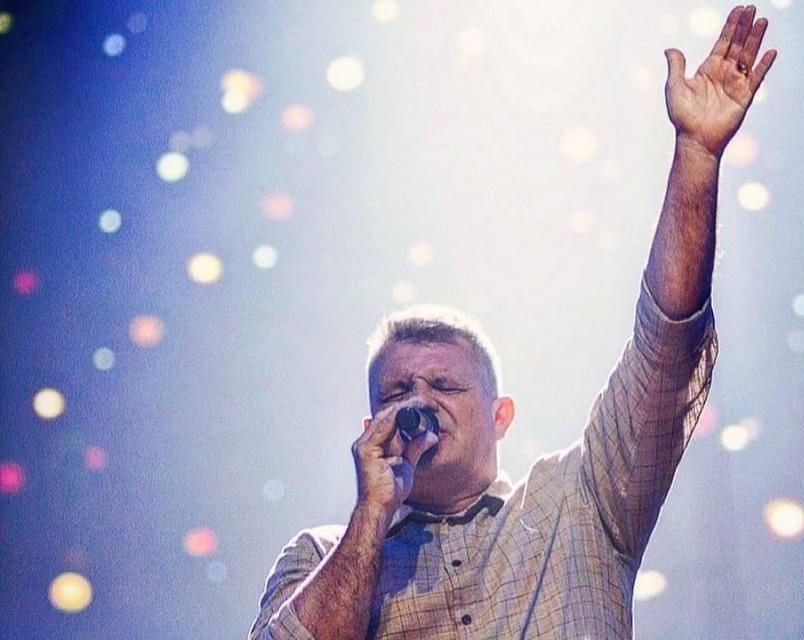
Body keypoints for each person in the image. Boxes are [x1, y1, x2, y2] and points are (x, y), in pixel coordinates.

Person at [249, 5, 776, 639]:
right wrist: (371, 515)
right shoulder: (317, 557)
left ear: (501, 415)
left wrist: (695, 156)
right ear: (370, 427)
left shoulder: (577, 503)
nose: (419, 402)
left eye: (445, 386)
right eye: (397, 393)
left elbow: (665, 349)